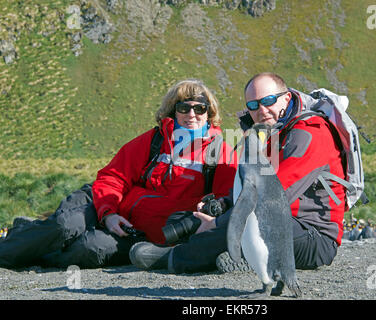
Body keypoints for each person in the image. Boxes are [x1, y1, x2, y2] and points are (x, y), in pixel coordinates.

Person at [0, 79, 237, 269]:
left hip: (139, 234)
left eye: (200, 108)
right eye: (184, 107)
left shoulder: (220, 153)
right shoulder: (155, 140)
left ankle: (31, 248)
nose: (191, 114)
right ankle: (7, 252)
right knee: (65, 224)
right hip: (109, 205)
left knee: (89, 248)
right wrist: (109, 214)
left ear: (209, 113)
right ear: (173, 111)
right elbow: (113, 178)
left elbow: (226, 199)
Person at [130, 72, 345, 273]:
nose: (262, 110)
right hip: (282, 220)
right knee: (186, 218)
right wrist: (222, 205)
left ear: (287, 98)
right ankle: (241, 256)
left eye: (269, 100)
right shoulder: (272, 133)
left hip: (312, 235)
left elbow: (270, 198)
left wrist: (215, 224)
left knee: (252, 222)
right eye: (253, 104)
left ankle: (175, 258)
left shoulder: (311, 134)